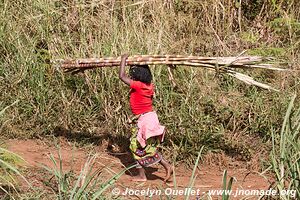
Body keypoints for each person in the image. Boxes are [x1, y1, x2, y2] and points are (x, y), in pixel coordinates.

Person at [119, 54, 173, 182]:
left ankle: (144, 175)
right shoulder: (149, 86)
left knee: (136, 146)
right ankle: (166, 166)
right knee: (145, 147)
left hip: (145, 120)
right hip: (148, 117)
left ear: (137, 76)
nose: (131, 75)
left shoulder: (138, 85)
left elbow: (121, 76)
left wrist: (123, 60)